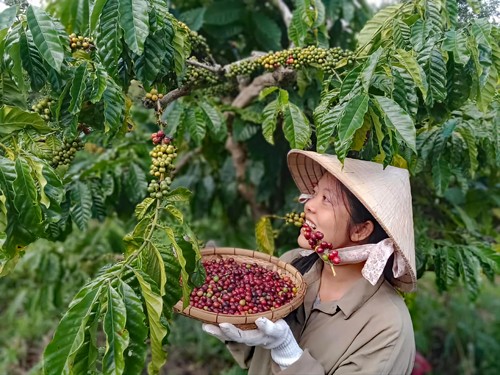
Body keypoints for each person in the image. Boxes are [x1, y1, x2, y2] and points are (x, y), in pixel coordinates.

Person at [202, 149, 417, 374]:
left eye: (326, 199)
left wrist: (288, 353)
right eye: (314, 193)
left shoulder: (386, 328)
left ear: (361, 229)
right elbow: (256, 358)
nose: (309, 205)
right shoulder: (293, 267)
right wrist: (232, 318)